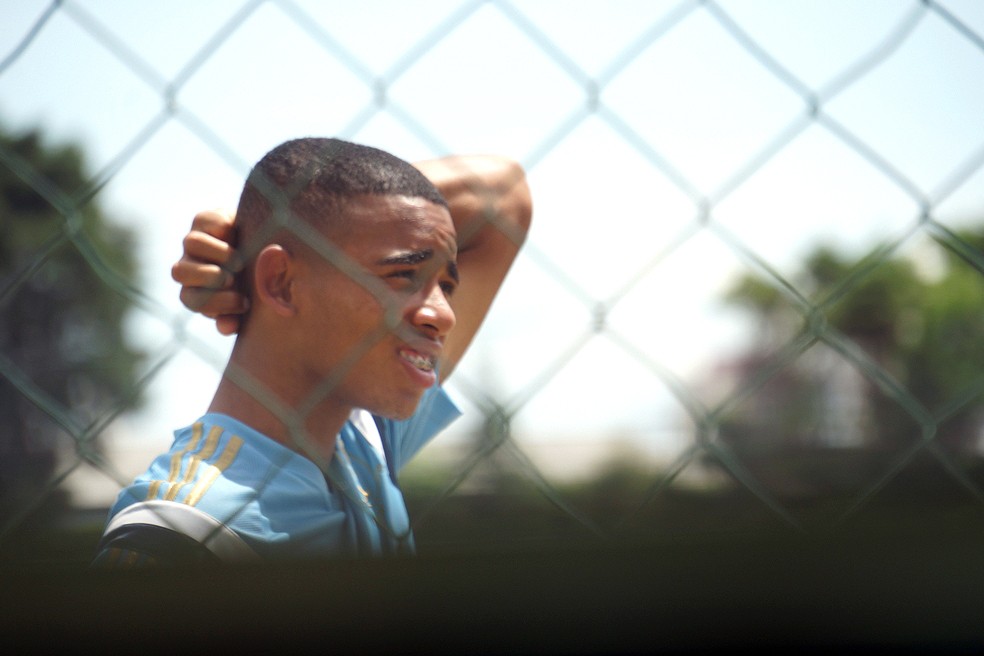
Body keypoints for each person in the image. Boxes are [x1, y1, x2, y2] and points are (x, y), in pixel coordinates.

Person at [93, 137, 532, 567]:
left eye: (447, 286)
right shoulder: (181, 532)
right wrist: (267, 224)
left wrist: (258, 224)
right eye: (403, 275)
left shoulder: (363, 439)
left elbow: (504, 196)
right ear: (282, 282)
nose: (443, 314)